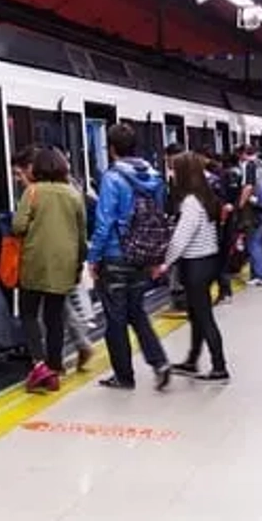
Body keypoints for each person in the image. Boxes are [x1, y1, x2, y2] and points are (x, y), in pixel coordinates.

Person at [86, 123, 172, 391]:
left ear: (111, 149)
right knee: (137, 311)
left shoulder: (112, 179)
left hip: (115, 254)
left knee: (115, 318)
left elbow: (104, 223)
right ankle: (159, 361)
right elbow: (160, 216)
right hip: (143, 254)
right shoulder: (154, 176)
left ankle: (124, 376)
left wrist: (93, 258)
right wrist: (158, 257)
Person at [13, 147, 88, 393]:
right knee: (54, 317)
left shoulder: (32, 192)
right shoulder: (73, 195)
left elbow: (18, 225)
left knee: (28, 313)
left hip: (35, 262)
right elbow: (81, 234)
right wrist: (79, 264)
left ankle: (39, 363)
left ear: (37, 169)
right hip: (65, 264)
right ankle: (56, 366)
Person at [153, 152, 229, 381]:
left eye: (175, 170)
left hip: (196, 264)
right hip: (206, 261)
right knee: (197, 315)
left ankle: (219, 366)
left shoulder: (191, 202)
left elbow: (181, 238)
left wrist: (165, 263)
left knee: (203, 317)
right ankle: (192, 360)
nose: (172, 174)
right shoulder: (204, 197)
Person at [238, 145, 262, 287]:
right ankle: (255, 275)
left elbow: (248, 187)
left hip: (255, 208)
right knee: (256, 240)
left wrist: (240, 204)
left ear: (244, 154)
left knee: (253, 242)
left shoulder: (250, 166)